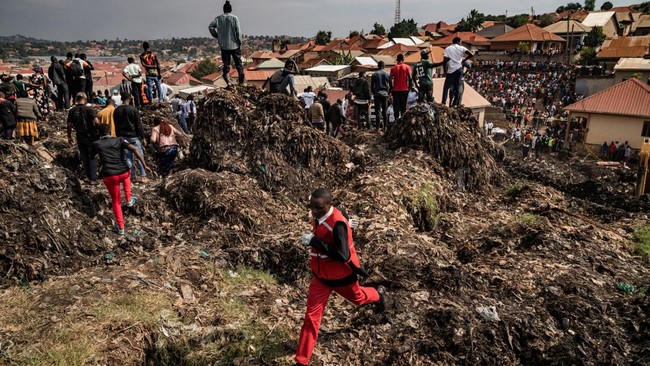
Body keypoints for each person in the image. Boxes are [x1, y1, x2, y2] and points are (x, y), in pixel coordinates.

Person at [294, 188, 386, 366]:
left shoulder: (337, 224)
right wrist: (349, 221)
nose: (313, 211)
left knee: (359, 298)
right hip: (320, 278)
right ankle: (301, 361)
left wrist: (314, 242)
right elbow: (343, 214)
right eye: (311, 206)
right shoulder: (328, 213)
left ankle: (378, 294)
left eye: (318, 208)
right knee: (311, 318)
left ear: (329, 205)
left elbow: (343, 255)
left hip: (341, 277)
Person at [92, 123, 151, 235]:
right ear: (110, 131)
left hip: (110, 175)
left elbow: (92, 157)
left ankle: (121, 227)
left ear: (99, 133)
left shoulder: (97, 144)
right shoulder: (119, 140)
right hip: (123, 172)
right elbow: (134, 149)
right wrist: (144, 165)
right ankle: (129, 199)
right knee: (127, 172)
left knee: (116, 201)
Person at [114, 93, 149, 184]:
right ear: (129, 99)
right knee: (139, 156)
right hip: (134, 136)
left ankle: (132, 176)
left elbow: (116, 125)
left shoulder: (116, 110)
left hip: (122, 136)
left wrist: (118, 138)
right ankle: (143, 176)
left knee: (128, 158)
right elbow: (138, 124)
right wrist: (143, 137)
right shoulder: (133, 109)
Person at [209, 0, 245, 85]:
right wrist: (240, 42)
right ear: (231, 9)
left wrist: (216, 35)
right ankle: (241, 78)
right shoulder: (234, 18)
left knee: (226, 64)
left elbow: (211, 26)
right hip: (234, 44)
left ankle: (227, 80)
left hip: (224, 45)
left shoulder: (218, 19)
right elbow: (238, 32)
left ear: (223, 9)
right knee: (238, 63)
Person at [67, 92, 99, 182]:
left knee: (84, 156)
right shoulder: (90, 109)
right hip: (91, 135)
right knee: (92, 155)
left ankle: (89, 176)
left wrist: (69, 136)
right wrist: (99, 130)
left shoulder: (72, 111)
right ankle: (93, 178)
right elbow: (96, 122)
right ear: (85, 99)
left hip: (80, 135)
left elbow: (69, 125)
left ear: (76, 99)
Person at [441, 37, 473, 107]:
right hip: (459, 70)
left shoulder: (447, 49)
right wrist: (463, 60)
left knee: (446, 87)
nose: (461, 44)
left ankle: (443, 102)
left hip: (451, 71)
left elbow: (444, 61)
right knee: (458, 87)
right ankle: (455, 103)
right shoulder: (462, 48)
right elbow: (471, 54)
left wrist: (445, 71)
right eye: (461, 42)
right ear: (458, 42)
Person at [390, 53, 412, 120]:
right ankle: (403, 120)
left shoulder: (393, 68)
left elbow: (390, 79)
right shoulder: (407, 67)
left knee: (396, 107)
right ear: (403, 59)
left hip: (396, 90)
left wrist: (391, 88)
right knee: (403, 107)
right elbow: (410, 78)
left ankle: (396, 120)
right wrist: (409, 87)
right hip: (404, 90)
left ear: (397, 60)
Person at [371, 61, 390, 129]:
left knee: (378, 111)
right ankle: (385, 127)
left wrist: (374, 93)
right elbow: (390, 85)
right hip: (385, 94)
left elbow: (372, 86)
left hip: (377, 94)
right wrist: (388, 93)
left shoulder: (374, 74)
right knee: (384, 111)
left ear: (378, 66)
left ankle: (377, 128)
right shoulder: (387, 74)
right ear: (383, 66)